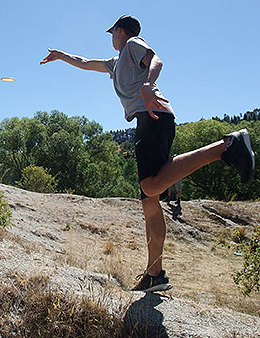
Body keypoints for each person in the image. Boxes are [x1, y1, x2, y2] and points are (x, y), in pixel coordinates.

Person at [40, 15, 255, 292]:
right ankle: (155, 274)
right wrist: (61, 55)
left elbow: (156, 60)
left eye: (112, 33)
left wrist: (148, 85)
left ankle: (226, 146)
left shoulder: (132, 44)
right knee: (150, 203)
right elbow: (83, 62)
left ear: (119, 31)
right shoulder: (115, 63)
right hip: (150, 119)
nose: (111, 38)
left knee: (150, 186)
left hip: (152, 116)